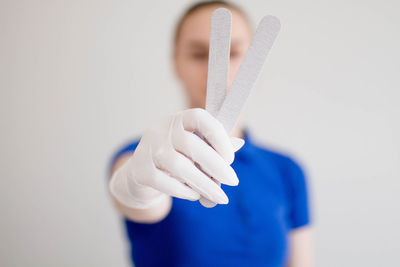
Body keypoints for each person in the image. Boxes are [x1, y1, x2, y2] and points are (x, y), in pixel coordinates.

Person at [108, 1, 312, 266]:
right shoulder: (146, 154)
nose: (218, 67)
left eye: (235, 53)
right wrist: (135, 186)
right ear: (176, 64)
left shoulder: (287, 170)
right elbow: (137, 198)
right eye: (198, 54)